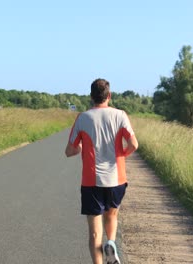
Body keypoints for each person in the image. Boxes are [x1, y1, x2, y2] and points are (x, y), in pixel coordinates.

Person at [65, 78, 138, 264]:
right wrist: (121, 155)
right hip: (117, 178)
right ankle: (111, 243)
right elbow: (134, 145)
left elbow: (69, 151)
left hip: (92, 181)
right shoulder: (120, 115)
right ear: (109, 96)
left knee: (95, 232)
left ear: (91, 97)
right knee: (112, 214)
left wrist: (80, 148)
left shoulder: (83, 118)